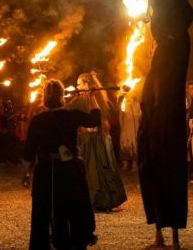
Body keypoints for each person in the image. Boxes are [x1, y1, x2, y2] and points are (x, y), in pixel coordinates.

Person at [137, 0, 193, 247]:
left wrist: (171, 36)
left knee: (167, 155)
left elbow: (187, 14)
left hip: (169, 66)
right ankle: (158, 231)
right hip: (161, 60)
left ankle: (172, 236)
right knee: (149, 156)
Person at [21, 79, 100, 250]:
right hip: (69, 171)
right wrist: (92, 97)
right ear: (62, 96)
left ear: (44, 98)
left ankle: (50, 244)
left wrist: (25, 174)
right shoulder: (71, 116)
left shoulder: (38, 120)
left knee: (46, 211)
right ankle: (72, 243)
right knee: (72, 207)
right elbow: (95, 120)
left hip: (46, 173)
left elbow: (29, 152)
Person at [66, 72, 126, 212]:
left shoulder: (93, 99)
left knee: (100, 170)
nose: (77, 86)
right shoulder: (80, 99)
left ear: (88, 85)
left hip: (96, 140)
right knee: (94, 170)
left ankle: (102, 200)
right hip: (92, 140)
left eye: (80, 84)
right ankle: (97, 200)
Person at [118, 91, 141, 171]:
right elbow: (120, 117)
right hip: (126, 129)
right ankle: (125, 164)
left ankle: (134, 165)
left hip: (135, 128)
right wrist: (123, 127)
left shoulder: (137, 105)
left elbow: (140, 116)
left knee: (134, 145)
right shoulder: (123, 105)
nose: (128, 96)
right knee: (125, 144)